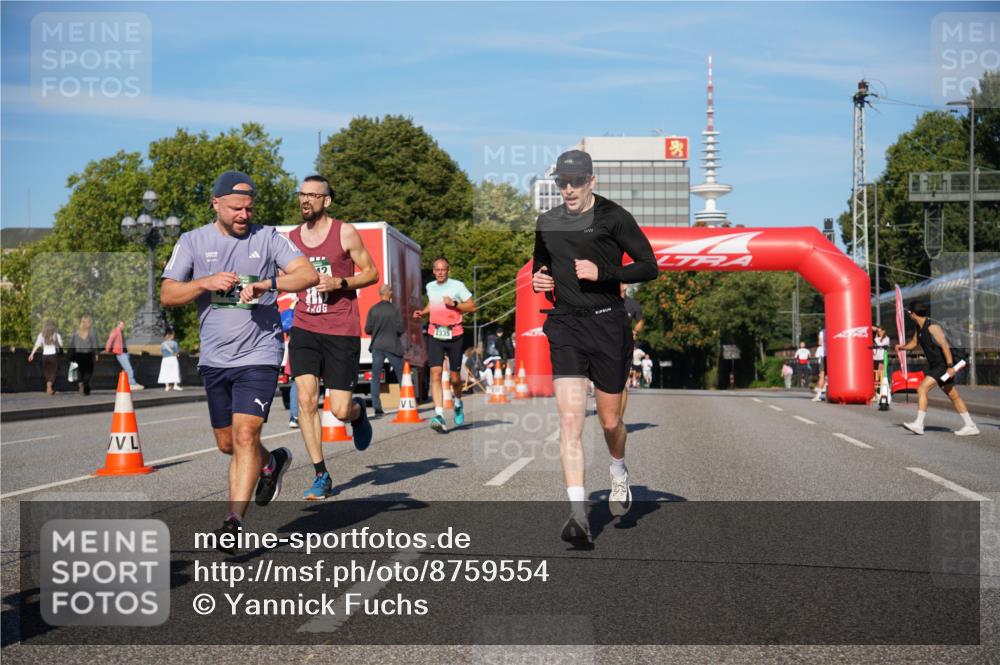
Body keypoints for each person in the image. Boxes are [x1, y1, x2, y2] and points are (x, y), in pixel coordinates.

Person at [160, 169, 319, 548]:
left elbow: (308, 274)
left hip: (260, 353)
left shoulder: (268, 239)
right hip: (215, 358)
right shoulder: (192, 241)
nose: (244, 215)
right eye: (235, 208)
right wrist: (205, 282)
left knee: (246, 434)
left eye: (249, 208)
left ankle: (233, 522)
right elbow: (168, 294)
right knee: (228, 443)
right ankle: (270, 464)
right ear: (215, 204)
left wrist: (268, 283)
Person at [531, 149, 658, 545]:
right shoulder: (547, 222)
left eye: (575, 181)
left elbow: (649, 265)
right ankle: (578, 514)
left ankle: (618, 469)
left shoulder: (613, 217)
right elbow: (541, 266)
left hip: (607, 323)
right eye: (561, 183)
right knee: (570, 421)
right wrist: (541, 281)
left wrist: (605, 272)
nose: (568, 189)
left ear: (591, 181)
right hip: (566, 325)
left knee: (608, 422)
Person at [289, 174, 378, 500]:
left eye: (313, 195)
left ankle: (358, 411)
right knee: (306, 399)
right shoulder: (292, 238)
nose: (305, 200)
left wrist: (339, 283)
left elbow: (371, 273)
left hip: (341, 329)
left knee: (338, 410)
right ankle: (320, 473)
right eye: (302, 194)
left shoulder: (345, 232)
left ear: (326, 200)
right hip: (304, 327)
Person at [895, 301, 979, 436]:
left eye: (909, 312)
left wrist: (950, 367)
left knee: (922, 389)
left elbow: (945, 346)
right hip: (935, 365)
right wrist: (902, 347)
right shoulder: (919, 327)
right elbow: (914, 343)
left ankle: (918, 424)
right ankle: (970, 425)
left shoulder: (932, 327)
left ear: (913, 314)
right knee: (953, 396)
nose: (909, 314)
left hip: (942, 365)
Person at [413, 257, 476, 433]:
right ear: (433, 271)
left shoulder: (458, 286)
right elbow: (432, 304)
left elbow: (472, 306)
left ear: (448, 270)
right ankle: (439, 415)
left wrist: (454, 304)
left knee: (455, 378)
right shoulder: (430, 286)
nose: (440, 272)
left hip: (455, 334)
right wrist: (423, 312)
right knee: (436, 373)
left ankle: (457, 402)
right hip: (435, 334)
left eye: (443, 269)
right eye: (437, 269)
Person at [365, 284, 406, 417]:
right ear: (388, 293)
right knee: (402, 376)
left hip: (377, 346)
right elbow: (400, 329)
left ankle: (377, 408)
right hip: (393, 346)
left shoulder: (373, 310)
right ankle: (406, 403)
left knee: (375, 378)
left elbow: (367, 329)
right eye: (391, 291)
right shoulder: (395, 310)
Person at [620, 283, 644, 416]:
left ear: (625, 286)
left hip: (625, 347)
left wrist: (635, 331)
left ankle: (619, 419)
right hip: (606, 346)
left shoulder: (633, 304)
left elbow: (640, 321)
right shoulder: (606, 301)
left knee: (621, 384)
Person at [104, 320, 142, 390]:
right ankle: (132, 384)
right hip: (120, 353)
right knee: (129, 369)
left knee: (128, 368)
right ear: (118, 324)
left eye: (124, 325)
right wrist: (107, 349)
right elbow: (110, 340)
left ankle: (132, 383)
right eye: (122, 325)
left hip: (125, 353)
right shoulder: (115, 331)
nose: (123, 326)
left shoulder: (121, 332)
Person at [28, 319, 63, 396]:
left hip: (45, 356)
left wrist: (31, 354)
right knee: (54, 372)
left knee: (47, 372)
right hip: (53, 355)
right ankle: (49, 385)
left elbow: (37, 345)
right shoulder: (56, 335)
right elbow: (60, 345)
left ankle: (49, 386)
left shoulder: (41, 335)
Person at [69, 315, 99, 395]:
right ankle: (84, 384)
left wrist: (71, 354)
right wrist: (96, 353)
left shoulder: (76, 332)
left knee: (81, 371)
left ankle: (81, 383)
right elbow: (95, 343)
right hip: (88, 354)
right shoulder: (91, 332)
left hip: (78, 354)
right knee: (89, 371)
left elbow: (71, 344)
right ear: (89, 322)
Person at [872, 325, 890, 401]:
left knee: (880, 376)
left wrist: (875, 339)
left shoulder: (886, 339)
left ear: (884, 331)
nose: (879, 332)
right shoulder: (876, 338)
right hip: (875, 359)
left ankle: (881, 393)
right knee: (874, 377)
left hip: (882, 359)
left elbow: (880, 345)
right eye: (878, 331)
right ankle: (875, 393)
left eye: (880, 330)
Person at [811, 332, 826, 402]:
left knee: (822, 375)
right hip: (833, 353)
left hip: (824, 354)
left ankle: (818, 395)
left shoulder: (822, 331)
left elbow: (820, 343)